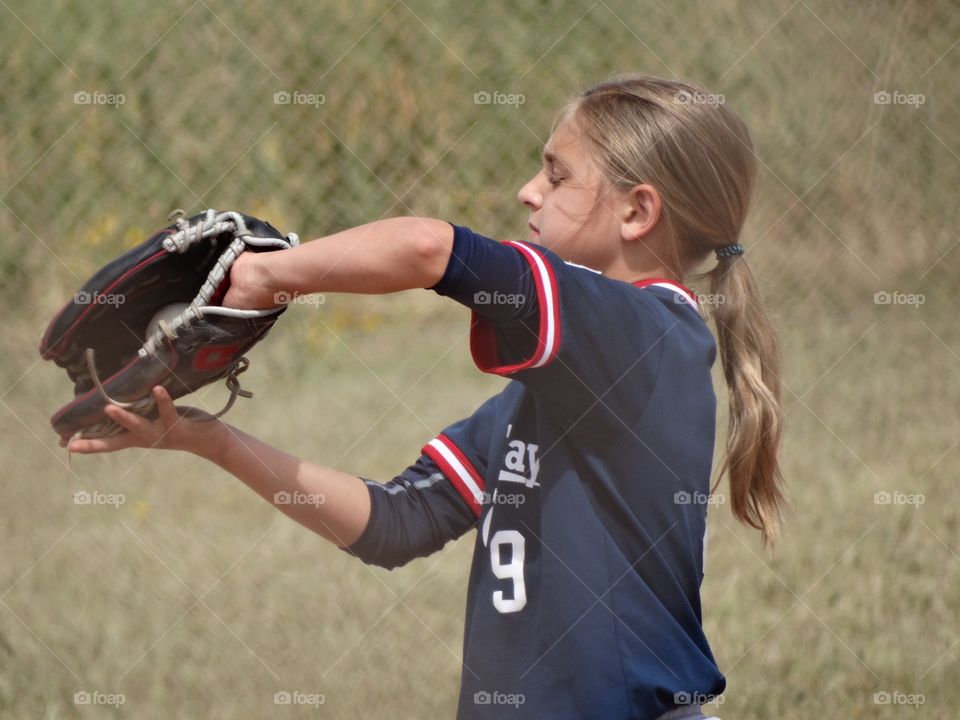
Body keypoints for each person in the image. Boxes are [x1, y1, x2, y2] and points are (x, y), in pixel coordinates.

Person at [64, 74, 786, 720]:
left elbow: (431, 251)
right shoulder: (548, 396)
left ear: (637, 213)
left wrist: (265, 276)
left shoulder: (649, 338)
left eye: (556, 174)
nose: (528, 191)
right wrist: (208, 440)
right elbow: (396, 522)